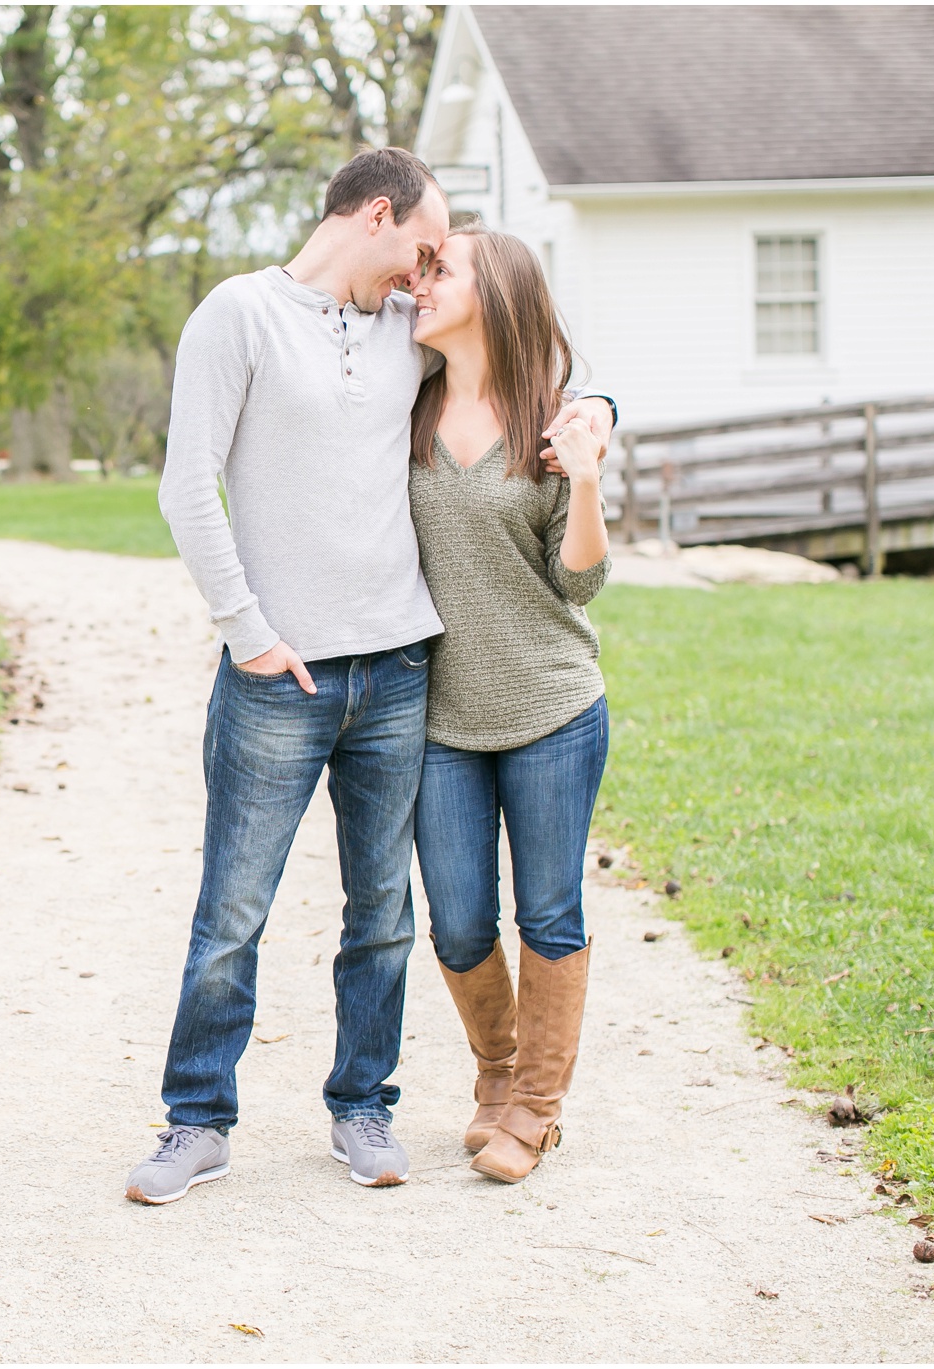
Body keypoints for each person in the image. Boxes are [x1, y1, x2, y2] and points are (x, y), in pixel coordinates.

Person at [126, 149, 613, 1205]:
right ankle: (196, 1121)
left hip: (400, 672)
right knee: (233, 910)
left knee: (382, 912)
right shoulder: (236, 316)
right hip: (277, 676)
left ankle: (363, 1106)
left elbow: (523, 360)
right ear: (379, 216)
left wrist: (600, 411)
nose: (426, 271)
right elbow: (185, 485)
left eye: (442, 263)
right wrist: (244, 629)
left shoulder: (405, 331)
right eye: (423, 249)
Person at [405, 223, 611, 1184]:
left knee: (551, 913)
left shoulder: (554, 423)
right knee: (455, 919)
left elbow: (581, 585)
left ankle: (534, 1107)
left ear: (495, 293)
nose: (423, 280)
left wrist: (590, 479)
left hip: (552, 709)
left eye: (442, 269)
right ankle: (496, 1073)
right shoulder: (401, 410)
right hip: (440, 717)